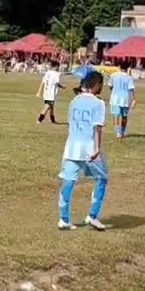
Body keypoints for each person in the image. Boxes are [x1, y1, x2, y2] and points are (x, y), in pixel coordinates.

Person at [58, 71, 108, 231]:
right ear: (97, 85)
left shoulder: (73, 101)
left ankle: (64, 219)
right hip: (88, 148)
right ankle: (92, 216)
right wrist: (97, 149)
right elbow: (97, 128)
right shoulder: (98, 103)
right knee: (102, 178)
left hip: (71, 147)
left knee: (68, 181)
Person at [107, 63, 135, 138]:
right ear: (127, 68)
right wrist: (133, 100)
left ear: (119, 67)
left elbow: (110, 86)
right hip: (125, 98)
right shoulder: (129, 77)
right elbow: (131, 89)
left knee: (116, 115)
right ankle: (122, 132)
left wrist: (110, 94)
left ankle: (118, 133)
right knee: (124, 116)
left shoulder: (113, 75)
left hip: (115, 98)